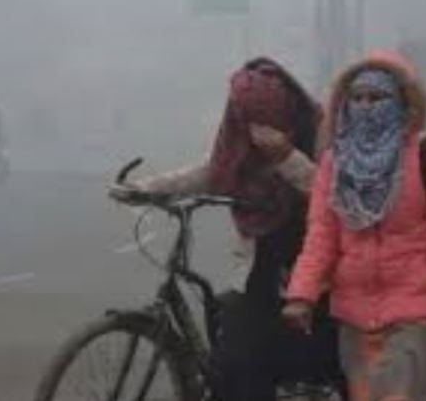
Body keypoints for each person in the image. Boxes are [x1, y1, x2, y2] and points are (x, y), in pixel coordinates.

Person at [283, 50, 426, 401]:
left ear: (405, 103)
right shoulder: (335, 164)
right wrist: (302, 296)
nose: (365, 106)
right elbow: (322, 236)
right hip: (353, 314)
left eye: (377, 97)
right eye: (357, 98)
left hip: (419, 312)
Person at [110, 57, 344, 400]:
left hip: (309, 267)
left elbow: (332, 195)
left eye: (260, 118)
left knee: (286, 355)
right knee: (232, 351)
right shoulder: (239, 139)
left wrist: (285, 156)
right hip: (259, 265)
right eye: (243, 118)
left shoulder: (317, 133)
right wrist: (147, 189)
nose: (252, 129)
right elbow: (214, 171)